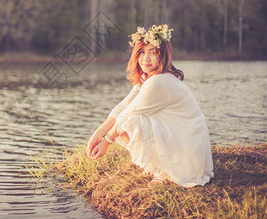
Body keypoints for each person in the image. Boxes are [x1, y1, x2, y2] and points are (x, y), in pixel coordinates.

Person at [86, 24, 214, 187]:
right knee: (130, 119)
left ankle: (165, 172)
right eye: (141, 52)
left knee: (130, 122)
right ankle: (161, 165)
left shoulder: (158, 81)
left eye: (152, 53)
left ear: (163, 56)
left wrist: (106, 141)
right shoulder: (151, 77)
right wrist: (98, 133)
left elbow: (127, 115)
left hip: (188, 151)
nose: (145, 58)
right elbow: (125, 104)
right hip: (189, 143)